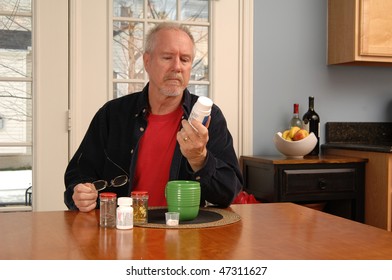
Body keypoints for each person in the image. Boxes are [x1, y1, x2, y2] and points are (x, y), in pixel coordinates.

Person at [64, 22, 243, 212]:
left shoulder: (210, 118)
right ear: (147, 61)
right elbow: (78, 176)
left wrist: (200, 159)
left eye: (185, 59)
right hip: (122, 229)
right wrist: (80, 194)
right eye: (167, 57)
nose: (177, 67)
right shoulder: (112, 114)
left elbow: (228, 193)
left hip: (184, 233)